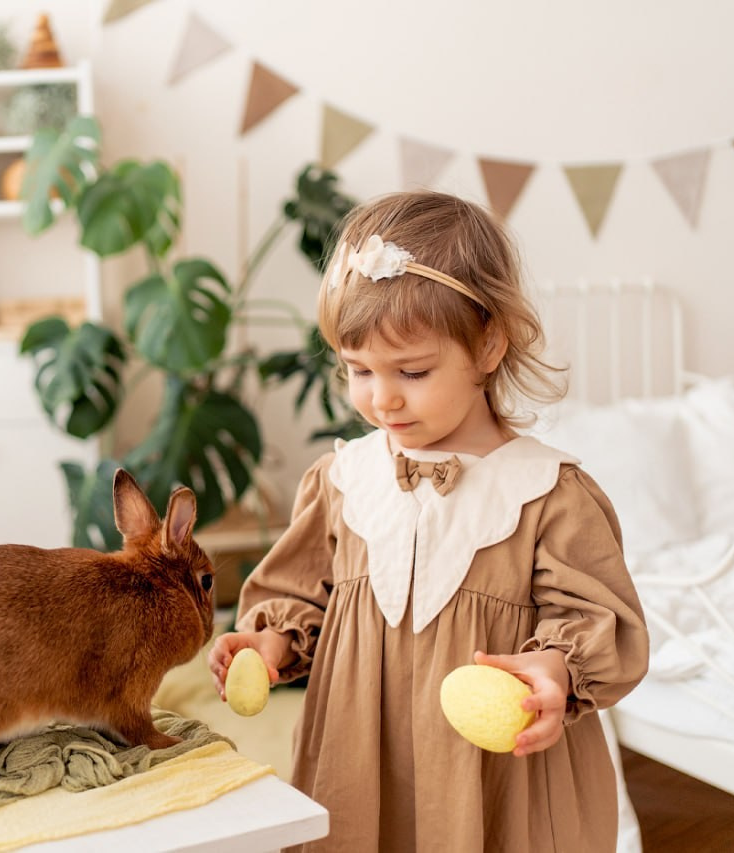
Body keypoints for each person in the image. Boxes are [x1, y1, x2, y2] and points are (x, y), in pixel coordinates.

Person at [209, 191, 649, 852]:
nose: (381, 396)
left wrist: (556, 669)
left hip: (500, 777)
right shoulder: (342, 479)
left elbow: (594, 619)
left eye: (412, 371)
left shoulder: (547, 493)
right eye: (358, 370)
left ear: (489, 344)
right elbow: (299, 594)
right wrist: (271, 646)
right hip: (359, 755)